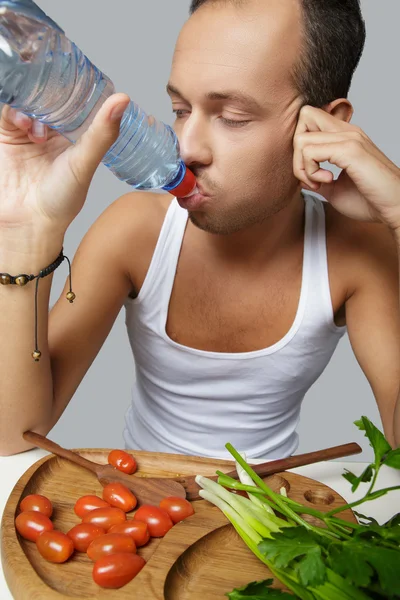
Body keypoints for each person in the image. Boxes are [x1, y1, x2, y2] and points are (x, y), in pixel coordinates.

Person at [0, 0, 399, 459]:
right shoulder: (136, 232)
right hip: (137, 510)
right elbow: (14, 433)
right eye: (181, 109)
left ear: (327, 126)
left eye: (232, 117)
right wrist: (24, 232)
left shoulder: (357, 253)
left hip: (273, 514)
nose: (186, 147)